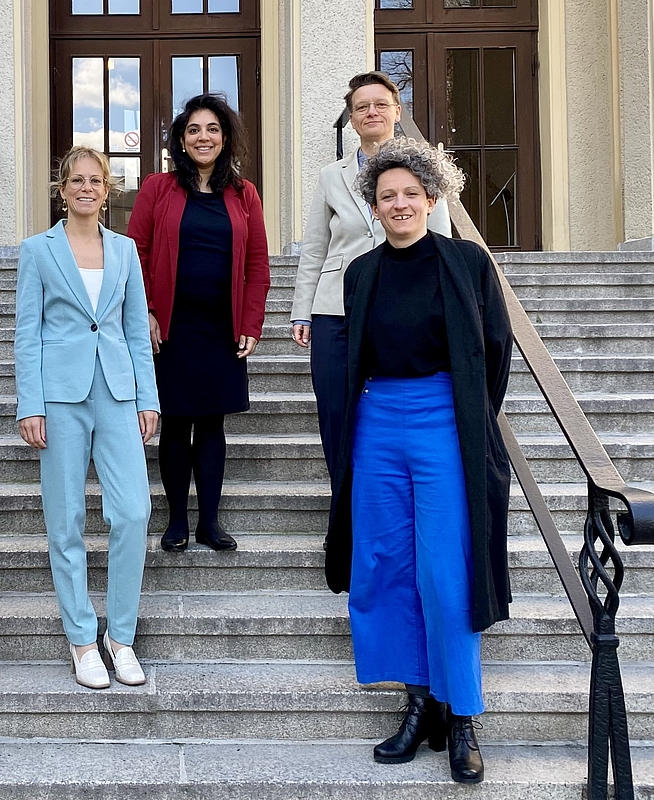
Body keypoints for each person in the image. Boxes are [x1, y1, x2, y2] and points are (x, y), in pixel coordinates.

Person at [322, 138, 513, 784]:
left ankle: (462, 716)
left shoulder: (466, 263)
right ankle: (418, 703)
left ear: (433, 199)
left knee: (444, 571)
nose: (399, 204)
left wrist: (465, 420)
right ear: (373, 209)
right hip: (378, 423)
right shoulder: (361, 273)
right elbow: (357, 358)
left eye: (411, 194)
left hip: (442, 422)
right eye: (387, 197)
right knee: (387, 565)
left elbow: (494, 352)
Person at [14, 145, 160, 691]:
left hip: (119, 392)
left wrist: (149, 398)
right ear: (63, 188)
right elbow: (27, 333)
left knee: (133, 513)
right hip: (59, 397)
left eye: (95, 181)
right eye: (76, 180)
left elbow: (134, 331)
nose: (85, 189)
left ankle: (120, 637)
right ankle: (82, 638)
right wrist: (29, 403)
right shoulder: (38, 250)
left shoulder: (124, 251)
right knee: (66, 518)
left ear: (107, 190)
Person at [127, 93, 270, 553]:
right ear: (181, 141)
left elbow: (258, 263)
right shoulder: (158, 188)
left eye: (212, 129)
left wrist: (251, 321)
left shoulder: (244, 194)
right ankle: (176, 521)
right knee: (175, 422)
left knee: (212, 424)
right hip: (172, 325)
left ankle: (210, 521)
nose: (203, 137)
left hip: (221, 325)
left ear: (225, 137)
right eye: (193, 130)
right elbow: (135, 255)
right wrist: (146, 310)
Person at [291, 72, 451, 480]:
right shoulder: (331, 175)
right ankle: (343, 511)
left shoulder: (422, 167)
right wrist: (302, 311)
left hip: (398, 305)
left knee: (380, 410)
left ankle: (377, 503)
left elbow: (441, 240)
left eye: (381, 104)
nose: (371, 112)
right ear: (352, 116)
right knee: (334, 409)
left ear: (397, 112)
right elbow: (315, 247)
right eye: (361, 106)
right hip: (335, 307)